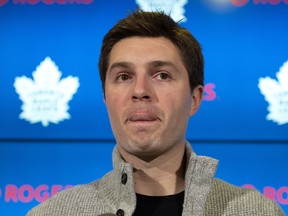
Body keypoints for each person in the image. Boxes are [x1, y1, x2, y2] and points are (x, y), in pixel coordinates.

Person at [27, 10, 285, 216]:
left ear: (194, 99)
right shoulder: (53, 212)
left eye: (162, 75)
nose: (140, 90)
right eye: (124, 76)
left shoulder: (256, 211)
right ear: (106, 98)